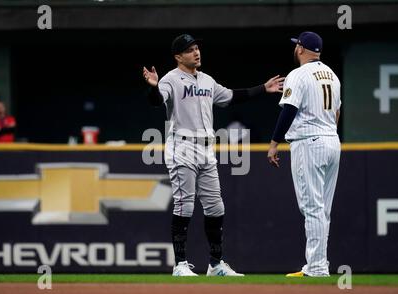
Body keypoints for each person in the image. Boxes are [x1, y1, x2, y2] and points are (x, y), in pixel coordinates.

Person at [143, 34, 284, 276]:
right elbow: (157, 102)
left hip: (207, 149)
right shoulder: (170, 79)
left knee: (216, 207)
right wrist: (154, 88)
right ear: (178, 56)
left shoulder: (207, 80)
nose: (196, 52)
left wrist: (264, 88)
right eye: (189, 50)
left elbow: (231, 97)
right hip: (182, 147)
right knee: (184, 205)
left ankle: (216, 264)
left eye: (197, 48)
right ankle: (179, 265)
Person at [267, 31, 341, 277]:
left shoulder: (298, 75)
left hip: (309, 142)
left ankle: (317, 267)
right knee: (323, 208)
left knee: (312, 207)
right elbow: (337, 113)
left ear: (300, 48)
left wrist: (274, 142)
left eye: (295, 45)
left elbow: (289, 110)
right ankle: (318, 264)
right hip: (332, 140)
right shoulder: (332, 75)